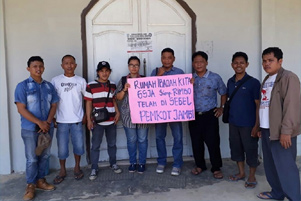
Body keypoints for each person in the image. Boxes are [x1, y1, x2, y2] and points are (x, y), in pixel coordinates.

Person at [256, 47, 301, 200]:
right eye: (264, 61)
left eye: (270, 60)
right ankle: (277, 192)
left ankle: (294, 197)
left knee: (286, 167)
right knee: (270, 165)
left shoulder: (289, 77)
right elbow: (264, 105)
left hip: (281, 132)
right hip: (268, 130)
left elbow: (292, 106)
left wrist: (286, 131)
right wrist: (261, 127)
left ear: (280, 61)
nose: (266, 64)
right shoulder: (267, 79)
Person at [14, 56, 59, 200]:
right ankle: (30, 186)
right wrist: (39, 123)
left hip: (47, 128)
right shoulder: (22, 86)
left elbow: (53, 105)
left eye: (40, 66)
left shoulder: (49, 86)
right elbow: (21, 109)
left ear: (44, 68)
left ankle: (41, 181)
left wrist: (47, 122)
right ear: (28, 69)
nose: (38, 69)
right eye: (34, 66)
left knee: (44, 155)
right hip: (30, 129)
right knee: (32, 158)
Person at [188, 51, 226, 179]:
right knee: (196, 142)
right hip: (193, 115)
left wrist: (222, 108)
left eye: (201, 61)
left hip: (210, 115)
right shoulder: (189, 79)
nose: (198, 64)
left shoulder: (215, 77)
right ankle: (200, 165)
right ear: (193, 64)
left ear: (206, 63)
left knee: (213, 142)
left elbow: (223, 92)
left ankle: (216, 167)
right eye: (196, 62)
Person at [226, 52, 260, 188]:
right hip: (233, 123)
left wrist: (257, 125)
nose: (238, 65)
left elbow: (258, 105)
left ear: (247, 64)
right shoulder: (230, 81)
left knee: (251, 149)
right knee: (236, 149)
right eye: (236, 62)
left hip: (249, 124)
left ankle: (251, 175)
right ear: (232, 64)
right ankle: (241, 173)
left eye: (241, 62)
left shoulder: (253, 83)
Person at [51, 55, 87, 184]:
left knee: (78, 146)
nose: (69, 65)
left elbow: (87, 98)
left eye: (72, 63)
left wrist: (87, 116)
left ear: (75, 65)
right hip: (61, 121)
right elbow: (51, 101)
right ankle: (62, 170)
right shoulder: (55, 81)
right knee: (62, 148)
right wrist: (52, 117)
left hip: (77, 120)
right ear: (62, 66)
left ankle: (77, 167)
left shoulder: (81, 81)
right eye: (66, 63)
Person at [85, 61, 122, 181]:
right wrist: (89, 119)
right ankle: (94, 167)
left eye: (107, 71)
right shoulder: (90, 85)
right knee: (95, 146)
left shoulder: (113, 85)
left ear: (110, 72)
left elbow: (114, 100)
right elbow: (89, 103)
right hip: (97, 122)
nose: (104, 73)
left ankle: (113, 163)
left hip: (111, 120)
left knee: (112, 144)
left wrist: (117, 112)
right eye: (102, 71)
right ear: (98, 72)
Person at [150, 47, 184, 176]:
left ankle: (177, 164)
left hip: (175, 112)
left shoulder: (180, 72)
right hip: (160, 112)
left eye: (169, 57)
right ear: (161, 59)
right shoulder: (155, 71)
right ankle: (162, 162)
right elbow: (149, 90)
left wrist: (189, 83)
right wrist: (158, 76)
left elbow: (184, 91)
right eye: (164, 57)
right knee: (159, 137)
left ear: (174, 59)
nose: (167, 60)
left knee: (178, 137)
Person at [116, 56, 150, 174]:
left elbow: (153, 95)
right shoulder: (123, 80)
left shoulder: (145, 80)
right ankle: (132, 163)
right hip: (128, 115)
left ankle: (142, 163)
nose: (134, 67)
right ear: (128, 66)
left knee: (142, 139)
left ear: (139, 67)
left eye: (136, 65)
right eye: (131, 65)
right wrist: (124, 90)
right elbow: (118, 98)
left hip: (142, 115)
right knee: (131, 140)